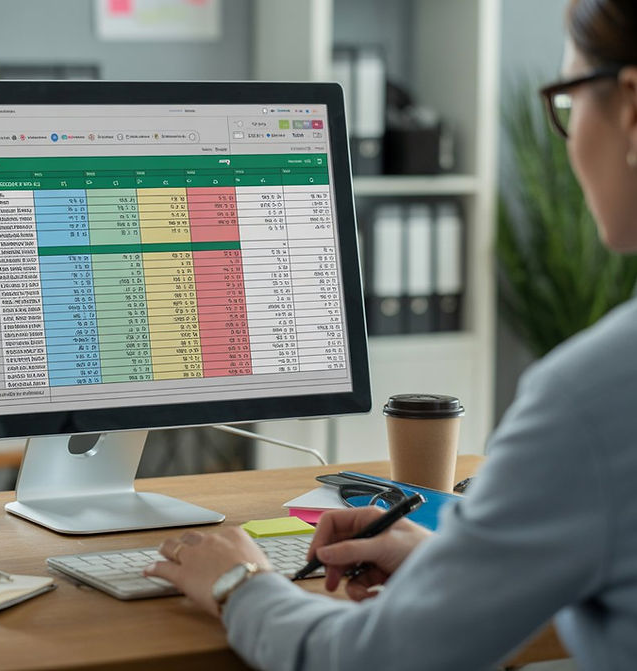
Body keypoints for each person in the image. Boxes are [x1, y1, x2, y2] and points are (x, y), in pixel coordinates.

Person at [144, 1, 637, 668]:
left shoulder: (593, 398)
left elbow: (377, 659)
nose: (568, 138)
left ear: (631, 108)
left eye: (568, 103)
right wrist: (453, 563)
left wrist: (240, 584)